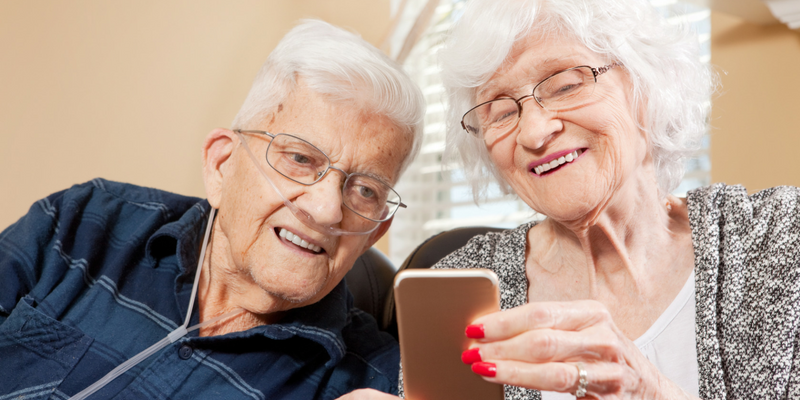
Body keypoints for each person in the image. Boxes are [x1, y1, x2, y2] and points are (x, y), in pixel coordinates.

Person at [0, 19, 424, 400]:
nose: (328, 208)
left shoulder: (374, 381)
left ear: (374, 232)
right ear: (222, 165)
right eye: (300, 159)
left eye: (365, 190)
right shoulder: (81, 221)